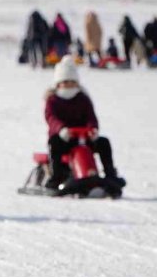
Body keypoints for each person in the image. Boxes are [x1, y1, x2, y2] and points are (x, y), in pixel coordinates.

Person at [43, 56, 124, 193]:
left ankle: (110, 174)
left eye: (72, 82)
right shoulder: (52, 101)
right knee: (54, 143)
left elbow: (91, 117)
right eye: (65, 82)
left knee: (104, 143)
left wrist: (92, 129)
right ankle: (56, 177)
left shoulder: (83, 99)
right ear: (58, 84)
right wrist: (61, 129)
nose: (69, 85)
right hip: (64, 138)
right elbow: (51, 118)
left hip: (84, 137)